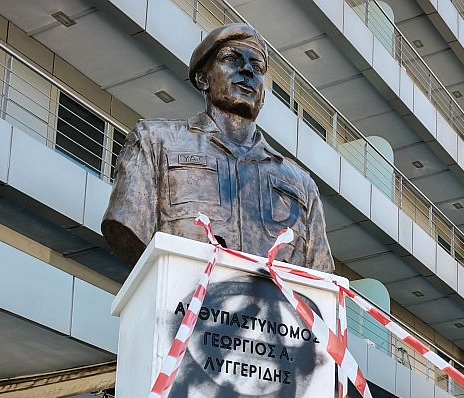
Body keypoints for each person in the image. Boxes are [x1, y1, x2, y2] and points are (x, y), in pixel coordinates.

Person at [102, 22, 333, 271]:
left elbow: (320, 274)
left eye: (257, 67)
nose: (247, 70)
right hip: (183, 293)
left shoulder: (301, 183)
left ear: (263, 96)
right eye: (231, 59)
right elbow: (127, 224)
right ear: (203, 78)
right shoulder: (155, 140)